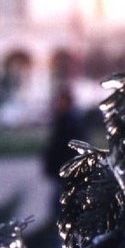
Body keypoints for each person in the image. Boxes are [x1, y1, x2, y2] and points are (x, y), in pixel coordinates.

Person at [42, 85, 86, 222]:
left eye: (59, 101)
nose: (57, 104)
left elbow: (63, 148)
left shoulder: (69, 122)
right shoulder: (65, 120)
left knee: (59, 206)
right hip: (63, 172)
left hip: (66, 172)